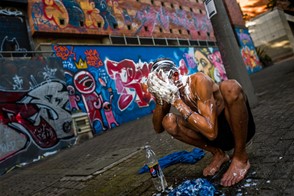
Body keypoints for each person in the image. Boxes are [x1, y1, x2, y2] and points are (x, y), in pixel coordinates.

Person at [147, 58, 255, 187]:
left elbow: (211, 132)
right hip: (216, 140)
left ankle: (240, 157)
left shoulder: (198, 81)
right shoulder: (168, 92)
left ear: (175, 75)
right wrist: (160, 99)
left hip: (236, 130)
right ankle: (218, 154)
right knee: (168, 121)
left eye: (162, 84)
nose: (163, 89)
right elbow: (158, 128)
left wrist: (177, 102)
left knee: (230, 86)